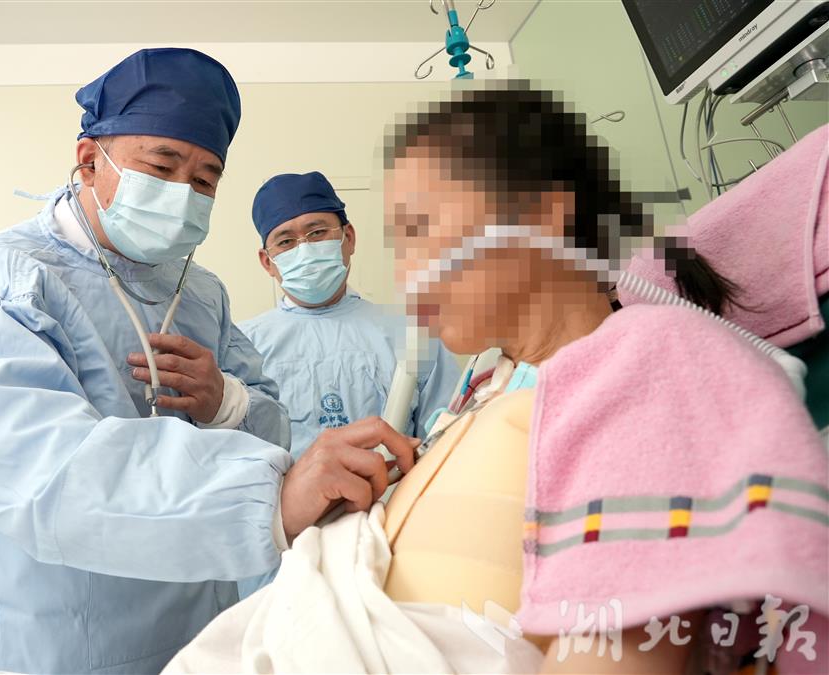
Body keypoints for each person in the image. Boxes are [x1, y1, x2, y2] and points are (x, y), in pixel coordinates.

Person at [166, 85, 827, 674]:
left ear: (542, 216)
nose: (407, 268)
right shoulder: (488, 385)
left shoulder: (647, 360)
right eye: (401, 241)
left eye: (421, 228)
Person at [0, 48, 417, 674]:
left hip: (188, 640)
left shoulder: (199, 294)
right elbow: (39, 474)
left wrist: (226, 402)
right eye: (161, 166)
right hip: (33, 641)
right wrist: (269, 501)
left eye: (203, 181)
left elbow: (270, 424)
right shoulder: (6, 282)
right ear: (90, 159)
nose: (181, 193)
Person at [242, 171, 460, 461]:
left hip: (397, 489)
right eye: (286, 242)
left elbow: (447, 444)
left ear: (349, 238)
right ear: (267, 262)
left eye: (317, 233)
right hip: (283, 492)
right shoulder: (243, 348)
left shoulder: (415, 335)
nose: (304, 250)